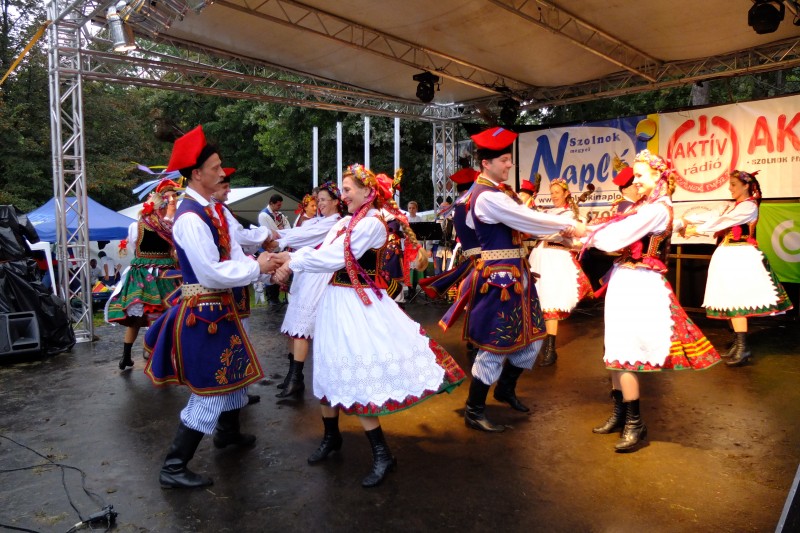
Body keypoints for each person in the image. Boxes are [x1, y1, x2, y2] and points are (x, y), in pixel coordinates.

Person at [269, 164, 465, 488]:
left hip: (355, 306)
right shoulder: (347, 221)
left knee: (354, 373)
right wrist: (282, 253)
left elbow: (336, 258)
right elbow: (318, 245)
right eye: (342, 191)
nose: (342, 196)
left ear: (367, 192)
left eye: (347, 190)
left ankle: (382, 454)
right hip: (334, 302)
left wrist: (292, 262)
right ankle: (332, 438)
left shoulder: (373, 224)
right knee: (327, 370)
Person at [143, 126, 274, 489]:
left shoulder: (211, 210)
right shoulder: (188, 217)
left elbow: (233, 250)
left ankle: (227, 435)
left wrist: (262, 257)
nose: (222, 172)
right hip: (204, 313)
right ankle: (173, 466)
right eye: (215, 167)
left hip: (218, 310)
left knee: (230, 376)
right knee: (209, 390)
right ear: (197, 173)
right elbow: (212, 273)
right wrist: (258, 266)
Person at [583, 149, 721, 453]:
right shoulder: (643, 207)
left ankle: (635, 422)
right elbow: (615, 231)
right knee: (615, 348)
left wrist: (582, 233)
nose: (637, 180)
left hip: (641, 285)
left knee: (627, 351)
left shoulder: (656, 209)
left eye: (641, 175)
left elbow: (614, 238)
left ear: (659, 176)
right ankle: (620, 414)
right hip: (624, 280)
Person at [461, 127, 585, 432]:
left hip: (518, 275)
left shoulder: (498, 194)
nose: (509, 165)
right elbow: (528, 220)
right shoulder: (488, 197)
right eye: (504, 160)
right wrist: (568, 223)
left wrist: (562, 230)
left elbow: (527, 226)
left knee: (533, 336)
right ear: (486, 163)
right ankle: (474, 409)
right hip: (500, 279)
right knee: (495, 344)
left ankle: (504, 389)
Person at [682, 169, 793, 366]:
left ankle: (743, 348)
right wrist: (686, 220)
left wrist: (695, 230)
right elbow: (713, 215)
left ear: (746, 186)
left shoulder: (748, 207)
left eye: (733, 185)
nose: (730, 188)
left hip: (741, 258)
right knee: (729, 299)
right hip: (729, 256)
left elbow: (723, 221)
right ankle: (738, 344)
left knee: (737, 301)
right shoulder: (734, 206)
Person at [271, 181, 346, 399]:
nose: (320, 204)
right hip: (305, 274)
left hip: (317, 277)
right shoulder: (320, 221)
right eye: (318, 200)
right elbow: (299, 232)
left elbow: (301, 237)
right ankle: (292, 376)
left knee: (301, 328)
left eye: (323, 200)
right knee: (292, 327)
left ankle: (296, 378)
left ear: (335, 202)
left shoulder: (335, 223)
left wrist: (276, 238)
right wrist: (277, 237)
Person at [106, 179, 180, 370]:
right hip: (164, 275)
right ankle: (156, 354)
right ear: (160, 207)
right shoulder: (168, 227)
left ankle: (126, 356)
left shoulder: (136, 226)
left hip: (140, 274)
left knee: (136, 320)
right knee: (163, 315)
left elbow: (133, 248)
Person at [528, 178, 594, 366]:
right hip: (540, 256)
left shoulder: (571, 215)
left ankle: (550, 349)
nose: (553, 196)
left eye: (557, 192)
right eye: (551, 192)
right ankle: (540, 346)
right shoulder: (549, 213)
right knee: (539, 303)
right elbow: (538, 231)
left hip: (556, 259)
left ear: (566, 193)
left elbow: (578, 240)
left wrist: (561, 235)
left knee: (550, 304)